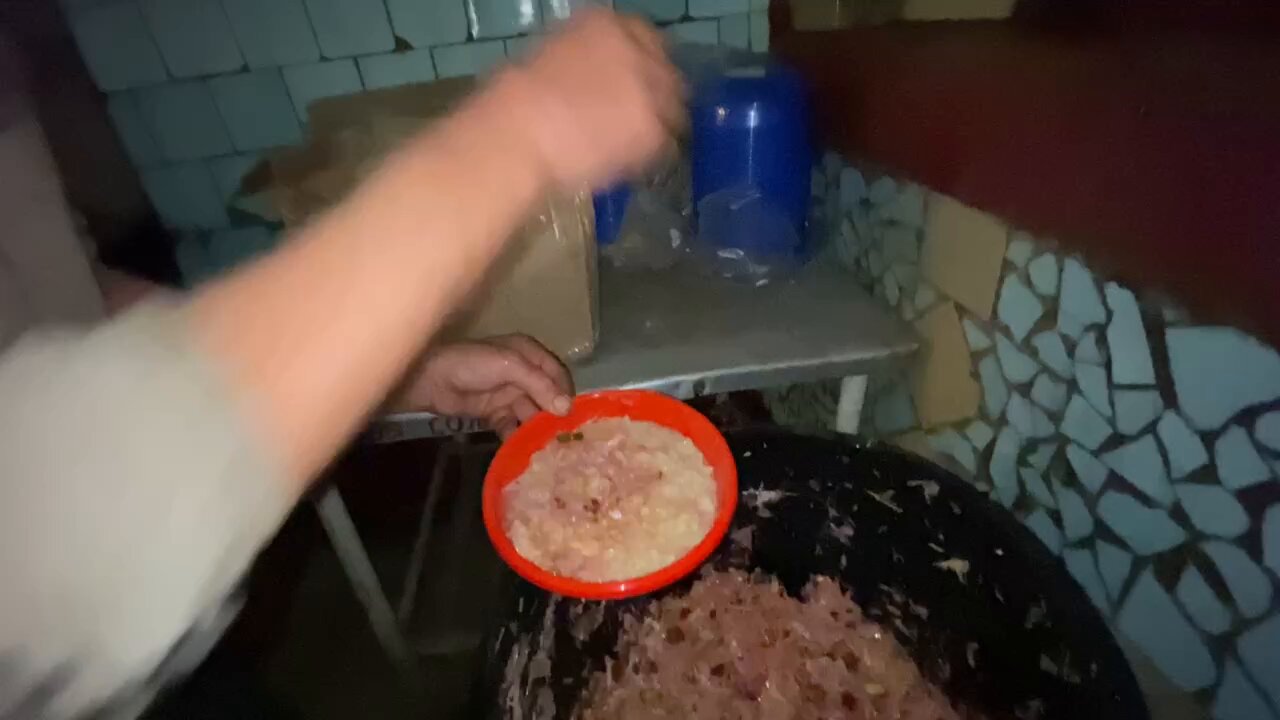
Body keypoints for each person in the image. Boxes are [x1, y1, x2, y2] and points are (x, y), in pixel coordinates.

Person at [0, 9, 681, 719]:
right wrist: (527, 129)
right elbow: (41, 525)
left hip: (160, 645)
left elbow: (70, 298)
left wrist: (399, 370)